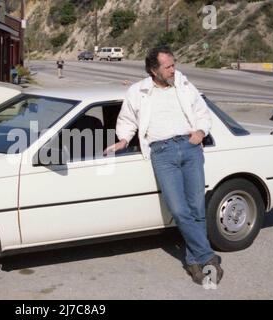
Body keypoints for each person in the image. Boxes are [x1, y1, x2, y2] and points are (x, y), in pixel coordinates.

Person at [105, 45, 223, 286]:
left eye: (174, 64)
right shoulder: (138, 91)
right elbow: (128, 119)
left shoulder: (183, 83)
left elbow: (202, 111)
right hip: (162, 152)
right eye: (168, 66)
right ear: (153, 70)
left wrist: (201, 131)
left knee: (197, 209)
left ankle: (194, 262)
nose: (173, 70)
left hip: (190, 147)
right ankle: (207, 256)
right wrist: (124, 139)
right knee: (179, 210)